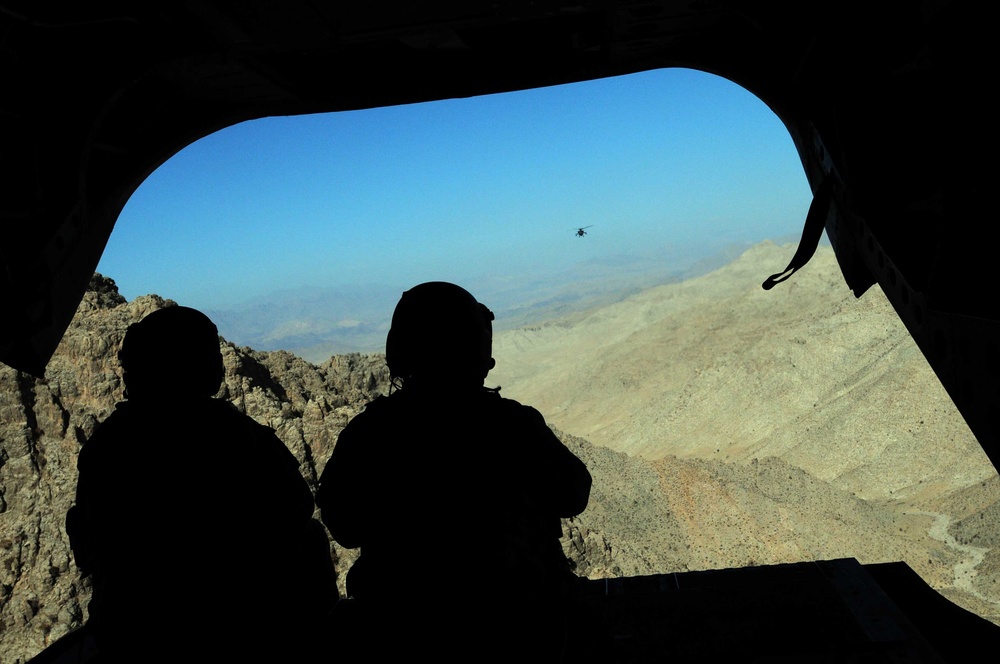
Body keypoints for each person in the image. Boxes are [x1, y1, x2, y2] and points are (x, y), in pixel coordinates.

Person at [317, 281, 592, 661]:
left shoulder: (369, 433)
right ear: (476, 349)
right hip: (516, 636)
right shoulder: (513, 425)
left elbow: (343, 526)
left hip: (403, 639)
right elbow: (574, 494)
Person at [66, 305, 336, 662]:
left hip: (130, 636)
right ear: (206, 367)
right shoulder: (238, 437)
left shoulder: (106, 446)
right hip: (236, 632)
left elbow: (86, 546)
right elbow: (297, 509)